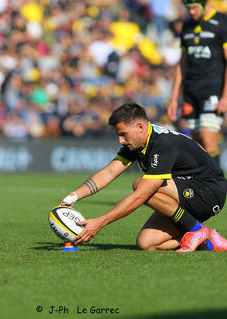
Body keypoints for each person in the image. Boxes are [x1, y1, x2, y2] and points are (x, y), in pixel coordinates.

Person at [61, 102, 227, 252]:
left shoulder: (163, 145)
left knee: (141, 185)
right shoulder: (137, 141)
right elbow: (109, 172)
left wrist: (100, 222)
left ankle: (195, 229)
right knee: (146, 243)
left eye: (123, 134)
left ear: (140, 127)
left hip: (209, 192)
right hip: (186, 192)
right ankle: (208, 240)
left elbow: (140, 196)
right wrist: (73, 196)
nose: (120, 140)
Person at [167, 0, 227, 166]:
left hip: (213, 90)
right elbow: (182, 64)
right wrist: (173, 99)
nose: (191, 12)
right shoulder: (187, 25)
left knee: (208, 137)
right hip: (191, 92)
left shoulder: (222, 22)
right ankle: (205, 185)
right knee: (198, 143)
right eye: (188, 9)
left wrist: (225, 97)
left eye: (194, 8)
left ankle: (217, 187)